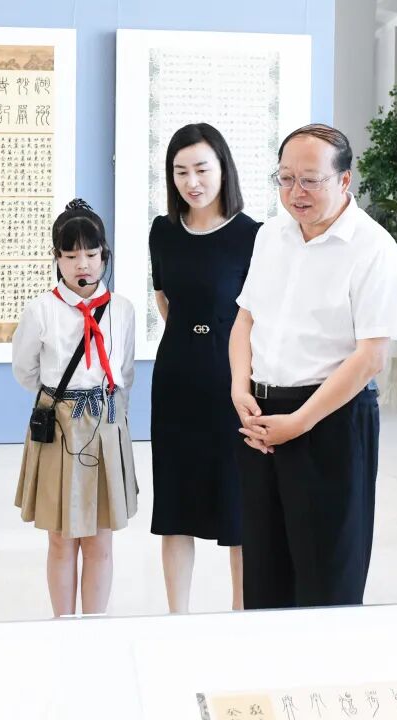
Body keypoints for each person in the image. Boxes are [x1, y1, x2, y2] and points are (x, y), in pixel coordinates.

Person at [230, 123, 397, 610]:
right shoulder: (271, 235)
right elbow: (245, 318)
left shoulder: (373, 249)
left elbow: (371, 357)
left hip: (331, 419)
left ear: (345, 180)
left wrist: (299, 422)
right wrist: (239, 388)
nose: (296, 192)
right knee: (264, 574)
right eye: (285, 178)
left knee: (327, 576)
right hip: (261, 418)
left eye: (310, 180)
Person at [149, 123, 259, 613]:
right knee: (175, 507)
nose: (191, 182)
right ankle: (177, 617)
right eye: (180, 172)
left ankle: (241, 616)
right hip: (176, 380)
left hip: (233, 382)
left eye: (201, 169)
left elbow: (255, 317)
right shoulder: (163, 231)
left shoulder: (252, 235)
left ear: (223, 169)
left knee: (239, 508)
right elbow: (165, 301)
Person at [12, 199, 137, 618]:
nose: (81, 264)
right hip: (59, 425)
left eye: (91, 253)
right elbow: (25, 371)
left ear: (104, 255)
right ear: (57, 258)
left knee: (100, 539)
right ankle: (63, 625)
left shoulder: (122, 309)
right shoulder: (41, 310)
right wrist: (63, 401)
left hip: (105, 424)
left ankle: (95, 626)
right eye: (70, 255)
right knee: (61, 539)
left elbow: (125, 372)